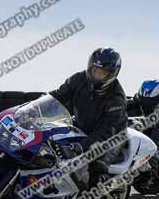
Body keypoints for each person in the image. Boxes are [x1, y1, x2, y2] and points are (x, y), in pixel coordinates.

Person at [49, 47, 127, 189]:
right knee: (50, 144)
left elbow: (107, 130)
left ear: (111, 74)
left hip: (111, 136)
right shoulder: (78, 79)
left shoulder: (116, 97)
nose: (96, 75)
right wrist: (32, 109)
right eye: (94, 70)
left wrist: (81, 146)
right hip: (81, 125)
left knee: (96, 168)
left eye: (101, 73)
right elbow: (57, 96)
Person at [126, 78, 159, 149]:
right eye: (143, 99)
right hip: (146, 129)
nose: (145, 103)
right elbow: (126, 103)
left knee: (155, 156)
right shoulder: (139, 99)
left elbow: (155, 140)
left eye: (150, 100)